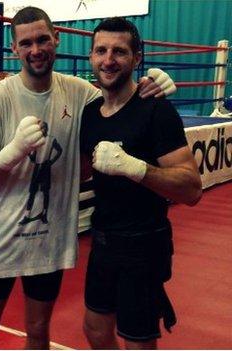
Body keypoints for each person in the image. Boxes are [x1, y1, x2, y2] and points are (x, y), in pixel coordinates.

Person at [0, 6, 175, 349]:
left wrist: (157, 85)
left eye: (43, 39)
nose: (36, 50)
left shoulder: (80, 93)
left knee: (37, 331)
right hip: (0, 240)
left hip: (47, 242)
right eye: (27, 43)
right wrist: (11, 152)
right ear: (15, 47)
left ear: (57, 39)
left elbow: (120, 96)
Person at [80, 17, 202, 349]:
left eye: (119, 51)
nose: (108, 60)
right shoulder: (90, 113)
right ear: (91, 56)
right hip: (103, 241)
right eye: (101, 50)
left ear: (137, 58)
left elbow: (191, 189)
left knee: (137, 341)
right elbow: (79, 171)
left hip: (143, 245)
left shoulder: (155, 110)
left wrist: (136, 168)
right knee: (94, 328)